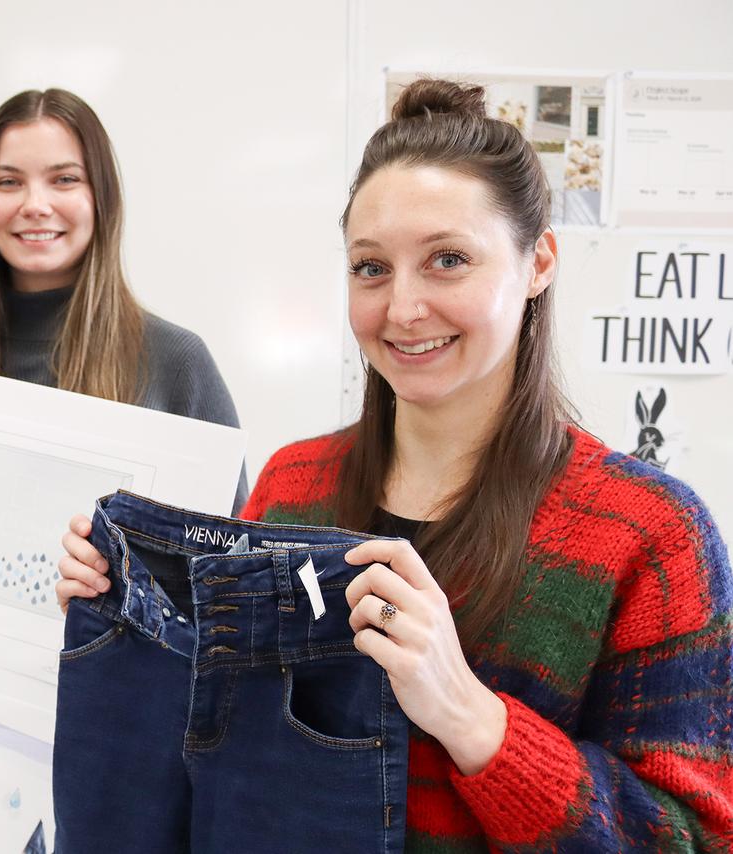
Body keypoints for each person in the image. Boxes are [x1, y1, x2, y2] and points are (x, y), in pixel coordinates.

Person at [56, 79, 732, 850]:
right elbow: (216, 757)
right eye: (370, 268)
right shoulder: (293, 487)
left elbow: (696, 839)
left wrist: (473, 719)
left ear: (539, 260)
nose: (402, 308)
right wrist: (136, 613)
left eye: (447, 260)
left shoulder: (650, 536)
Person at [0, 87, 248, 511]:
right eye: (8, 182)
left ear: (102, 199)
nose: (35, 204)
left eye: (64, 179)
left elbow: (234, 562)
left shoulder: (177, 362)